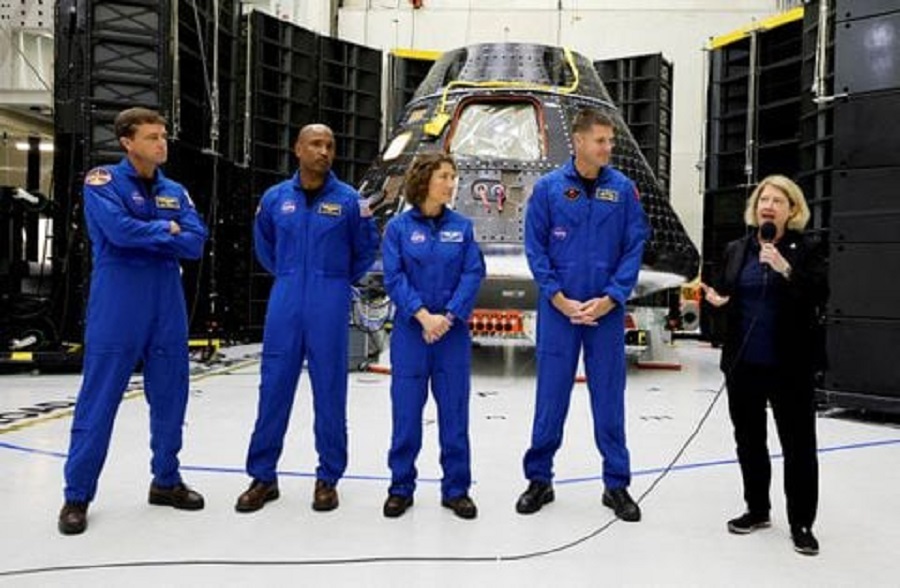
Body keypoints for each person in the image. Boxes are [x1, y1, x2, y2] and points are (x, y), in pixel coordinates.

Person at [58, 107, 209, 535]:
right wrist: (168, 232)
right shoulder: (101, 181)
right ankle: (77, 495)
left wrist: (161, 233)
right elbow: (118, 232)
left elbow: (196, 242)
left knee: (170, 397)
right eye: (152, 137)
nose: (161, 143)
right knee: (99, 399)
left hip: (166, 304)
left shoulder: (175, 190)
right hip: (118, 303)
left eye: (163, 136)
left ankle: (165, 480)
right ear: (128, 142)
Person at [235, 124, 379, 513]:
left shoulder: (351, 202)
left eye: (330, 145)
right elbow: (264, 245)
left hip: (329, 298)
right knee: (273, 388)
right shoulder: (274, 199)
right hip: (285, 297)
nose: (324, 151)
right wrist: (289, 273)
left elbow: (365, 250)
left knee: (330, 390)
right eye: (316, 144)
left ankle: (328, 478)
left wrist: (332, 279)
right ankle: (263, 476)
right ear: (298, 149)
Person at [515, 108, 649, 521]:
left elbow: (633, 247)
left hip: (605, 313)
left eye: (610, 141)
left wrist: (611, 297)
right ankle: (539, 480)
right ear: (578, 142)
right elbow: (535, 248)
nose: (608, 148)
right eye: (601, 141)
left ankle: (616, 485)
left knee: (609, 397)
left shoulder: (623, 190)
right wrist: (557, 297)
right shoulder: (549, 189)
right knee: (550, 397)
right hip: (560, 312)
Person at [701, 175, 827, 556]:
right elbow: (726, 293)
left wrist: (786, 268)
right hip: (744, 364)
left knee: (798, 446)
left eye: (777, 200)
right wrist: (719, 302)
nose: (767, 206)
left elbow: (820, 294)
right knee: (750, 441)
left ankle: (802, 522)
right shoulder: (738, 249)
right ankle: (757, 510)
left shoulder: (807, 248)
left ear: (793, 209)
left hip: (790, 365)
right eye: (762, 200)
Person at [380, 153, 486, 519]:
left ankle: (457, 489)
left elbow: (473, 273)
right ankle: (400, 487)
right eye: (445, 176)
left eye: (453, 176)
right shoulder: (398, 229)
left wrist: (450, 315)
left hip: (452, 336)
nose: (452, 182)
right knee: (406, 414)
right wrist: (424, 316)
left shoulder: (463, 228)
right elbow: (394, 278)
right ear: (425, 180)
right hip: (412, 334)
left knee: (455, 415)